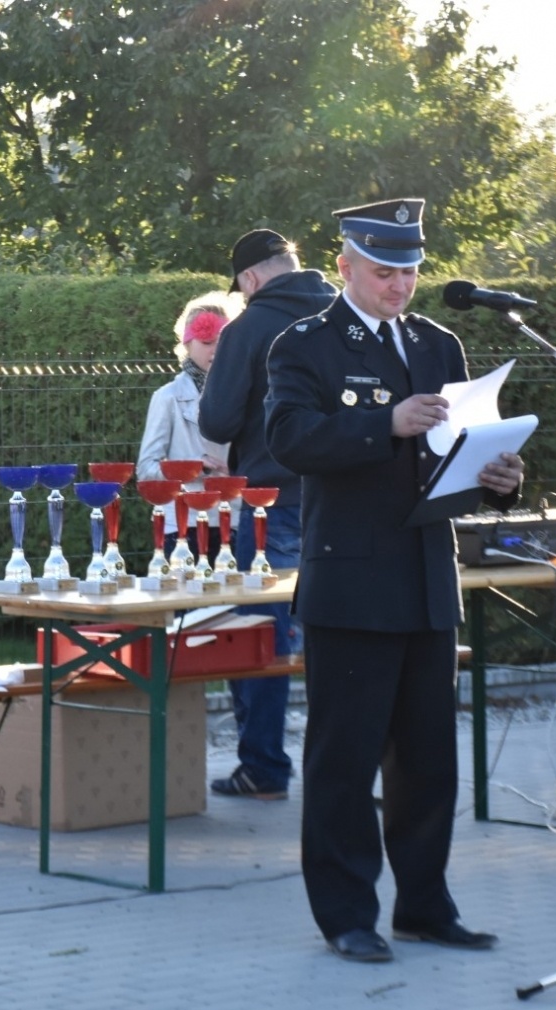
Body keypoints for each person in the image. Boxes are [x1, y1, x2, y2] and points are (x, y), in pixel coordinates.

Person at [264, 198, 524, 963]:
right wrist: (386, 423)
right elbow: (289, 440)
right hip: (352, 577)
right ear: (344, 266)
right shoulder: (305, 344)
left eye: (410, 271)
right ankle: (346, 913)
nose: (401, 285)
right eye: (385, 271)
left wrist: (501, 474)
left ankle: (425, 903)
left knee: (427, 757)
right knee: (344, 759)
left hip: (425, 576)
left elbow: (457, 449)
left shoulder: (439, 343)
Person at [198, 230, 338, 800]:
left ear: (250, 280)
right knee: (346, 638)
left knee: (259, 638)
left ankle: (264, 768)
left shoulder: (248, 327)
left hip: (268, 505)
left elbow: (217, 422)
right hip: (345, 500)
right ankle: (351, 773)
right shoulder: (345, 311)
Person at [136, 292, 233, 557]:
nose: (215, 350)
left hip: (233, 519)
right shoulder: (167, 397)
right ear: (188, 344)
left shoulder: (242, 393)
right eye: (206, 341)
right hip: (183, 522)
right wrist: (192, 468)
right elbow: (146, 469)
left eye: (222, 341)